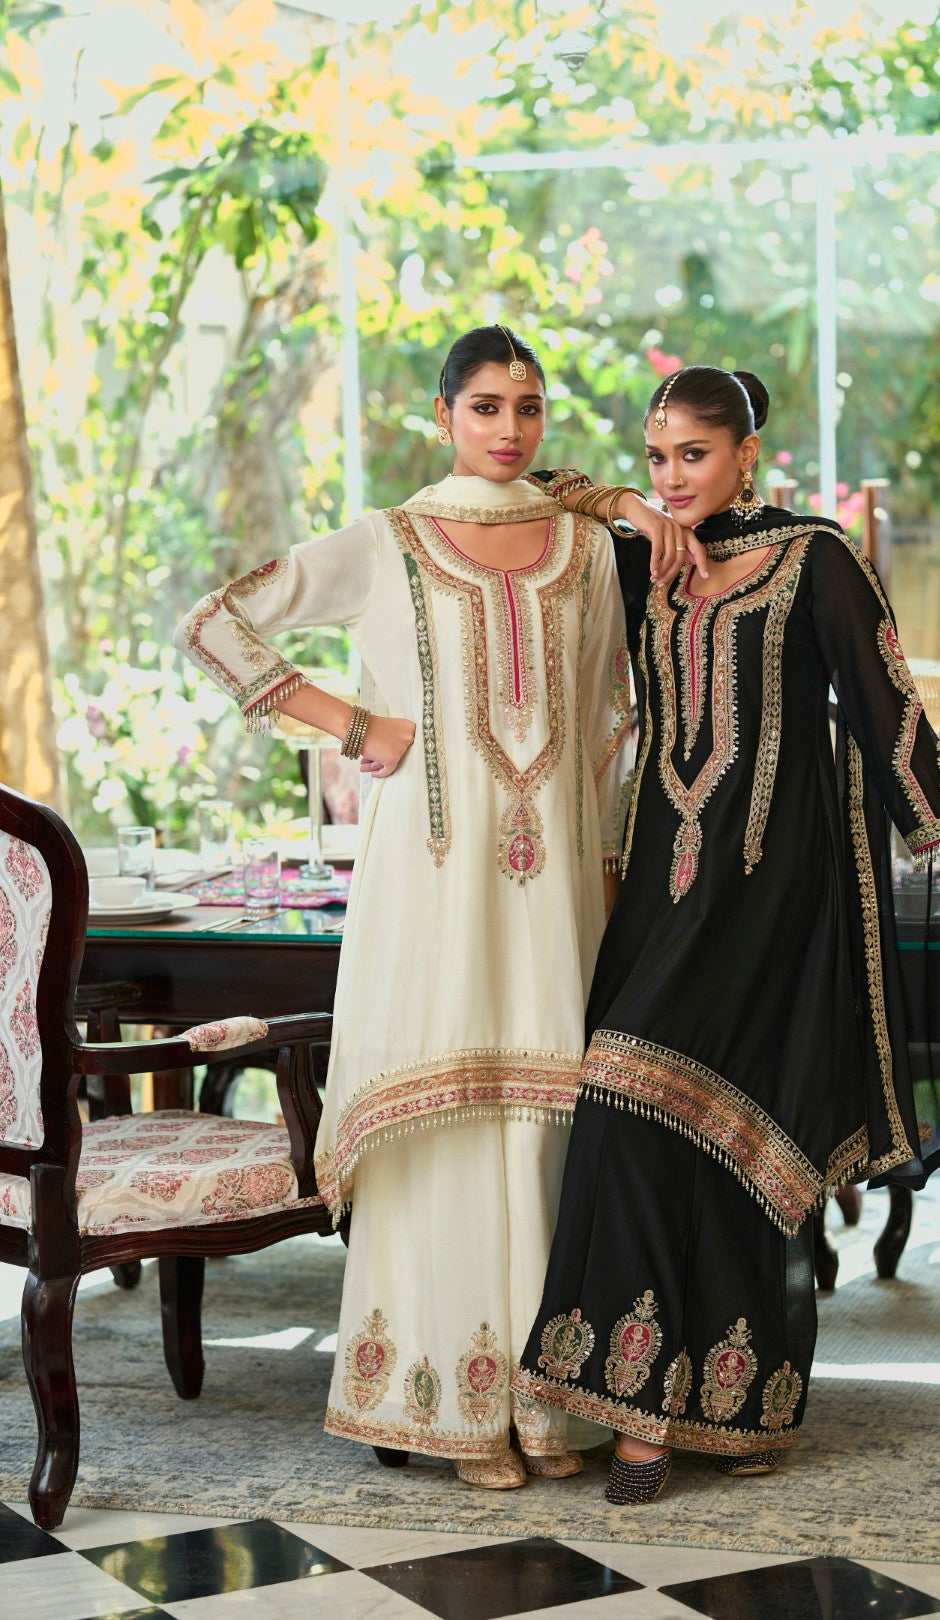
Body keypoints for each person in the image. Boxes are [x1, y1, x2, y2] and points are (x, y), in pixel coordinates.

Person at [512, 365, 940, 1504]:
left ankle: (692, 1414)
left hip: (775, 886)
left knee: (721, 1133)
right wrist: (629, 507)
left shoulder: (816, 558)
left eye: (694, 455)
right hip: (664, 886)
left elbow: (894, 720)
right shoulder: (638, 552)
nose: (675, 477)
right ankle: (675, 1401)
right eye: (658, 456)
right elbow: (537, 491)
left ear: (747, 454)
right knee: (624, 1103)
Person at [174, 325, 654, 1488]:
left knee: (547, 1122)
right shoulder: (385, 542)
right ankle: (450, 1407)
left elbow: (610, 725)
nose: (508, 427)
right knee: (444, 1117)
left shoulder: (588, 550)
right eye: (485, 406)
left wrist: (606, 874)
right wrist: (354, 724)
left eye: (528, 407)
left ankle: (549, 1413)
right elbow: (213, 623)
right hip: (428, 877)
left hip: (555, 886)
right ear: (443, 416)